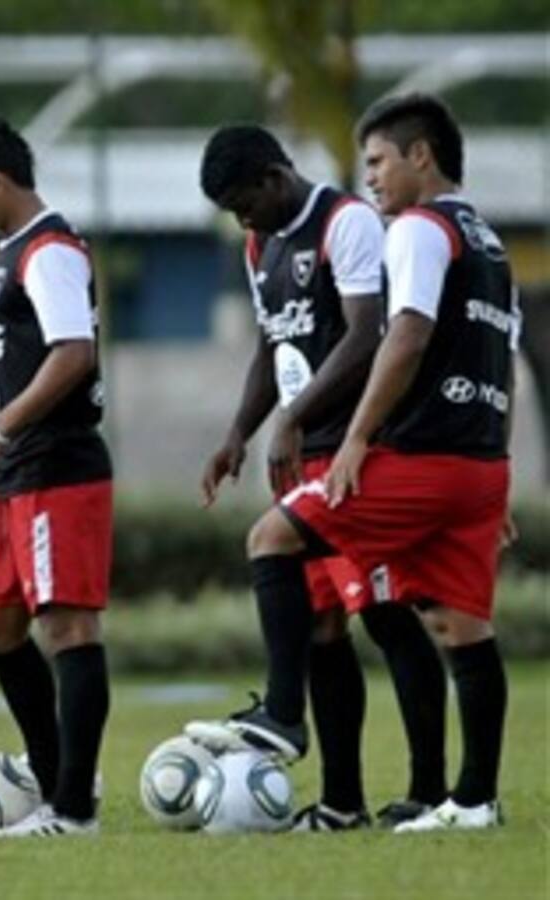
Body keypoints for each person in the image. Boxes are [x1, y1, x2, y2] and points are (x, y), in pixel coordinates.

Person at [189, 94, 518, 832]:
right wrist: (243, 431)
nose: (245, 222)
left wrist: (336, 432)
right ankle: (367, 800)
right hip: (381, 455)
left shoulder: (367, 227)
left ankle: (316, 731)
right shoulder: (263, 246)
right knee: (365, 623)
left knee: (382, 609)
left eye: (378, 160)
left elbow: (383, 335)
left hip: (364, 453)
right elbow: (275, 343)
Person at [0, 115, 112, 837]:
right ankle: (58, 773)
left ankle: (72, 810)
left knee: (68, 627)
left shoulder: (50, 250)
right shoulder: (13, 251)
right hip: (19, 478)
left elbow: (75, 353)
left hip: (55, 467)